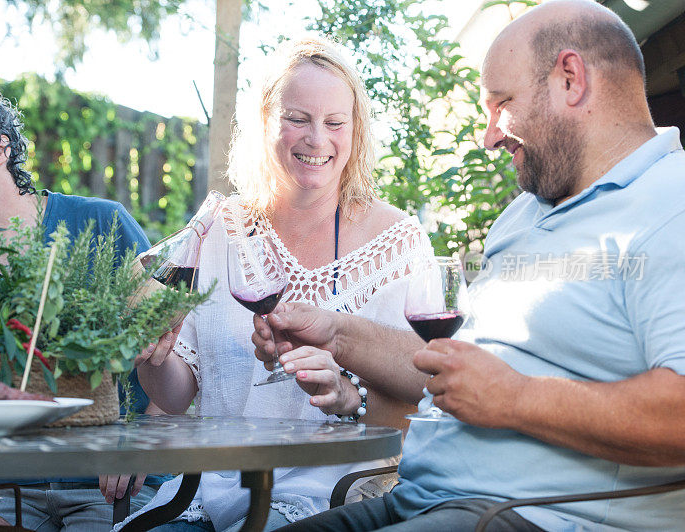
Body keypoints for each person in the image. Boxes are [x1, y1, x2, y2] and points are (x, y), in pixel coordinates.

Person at [251, 1, 685, 530]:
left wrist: (517, 398)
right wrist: (336, 333)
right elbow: (457, 375)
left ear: (570, 79)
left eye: (501, 103)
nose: (490, 136)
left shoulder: (670, 205)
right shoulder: (525, 214)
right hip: (418, 498)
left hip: (526, 517)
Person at [117, 35, 435, 531]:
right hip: (210, 490)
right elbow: (178, 395)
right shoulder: (222, 229)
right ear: (264, 122)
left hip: (335, 496)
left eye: (335, 123)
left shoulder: (398, 244)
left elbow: (427, 388)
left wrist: (349, 394)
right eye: (297, 119)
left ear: (356, 131)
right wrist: (153, 355)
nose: (317, 138)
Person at [0, 80, 166, 531]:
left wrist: (139, 442)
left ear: (1, 148)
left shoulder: (99, 222)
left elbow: (170, 344)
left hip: (114, 484)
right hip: (6, 487)